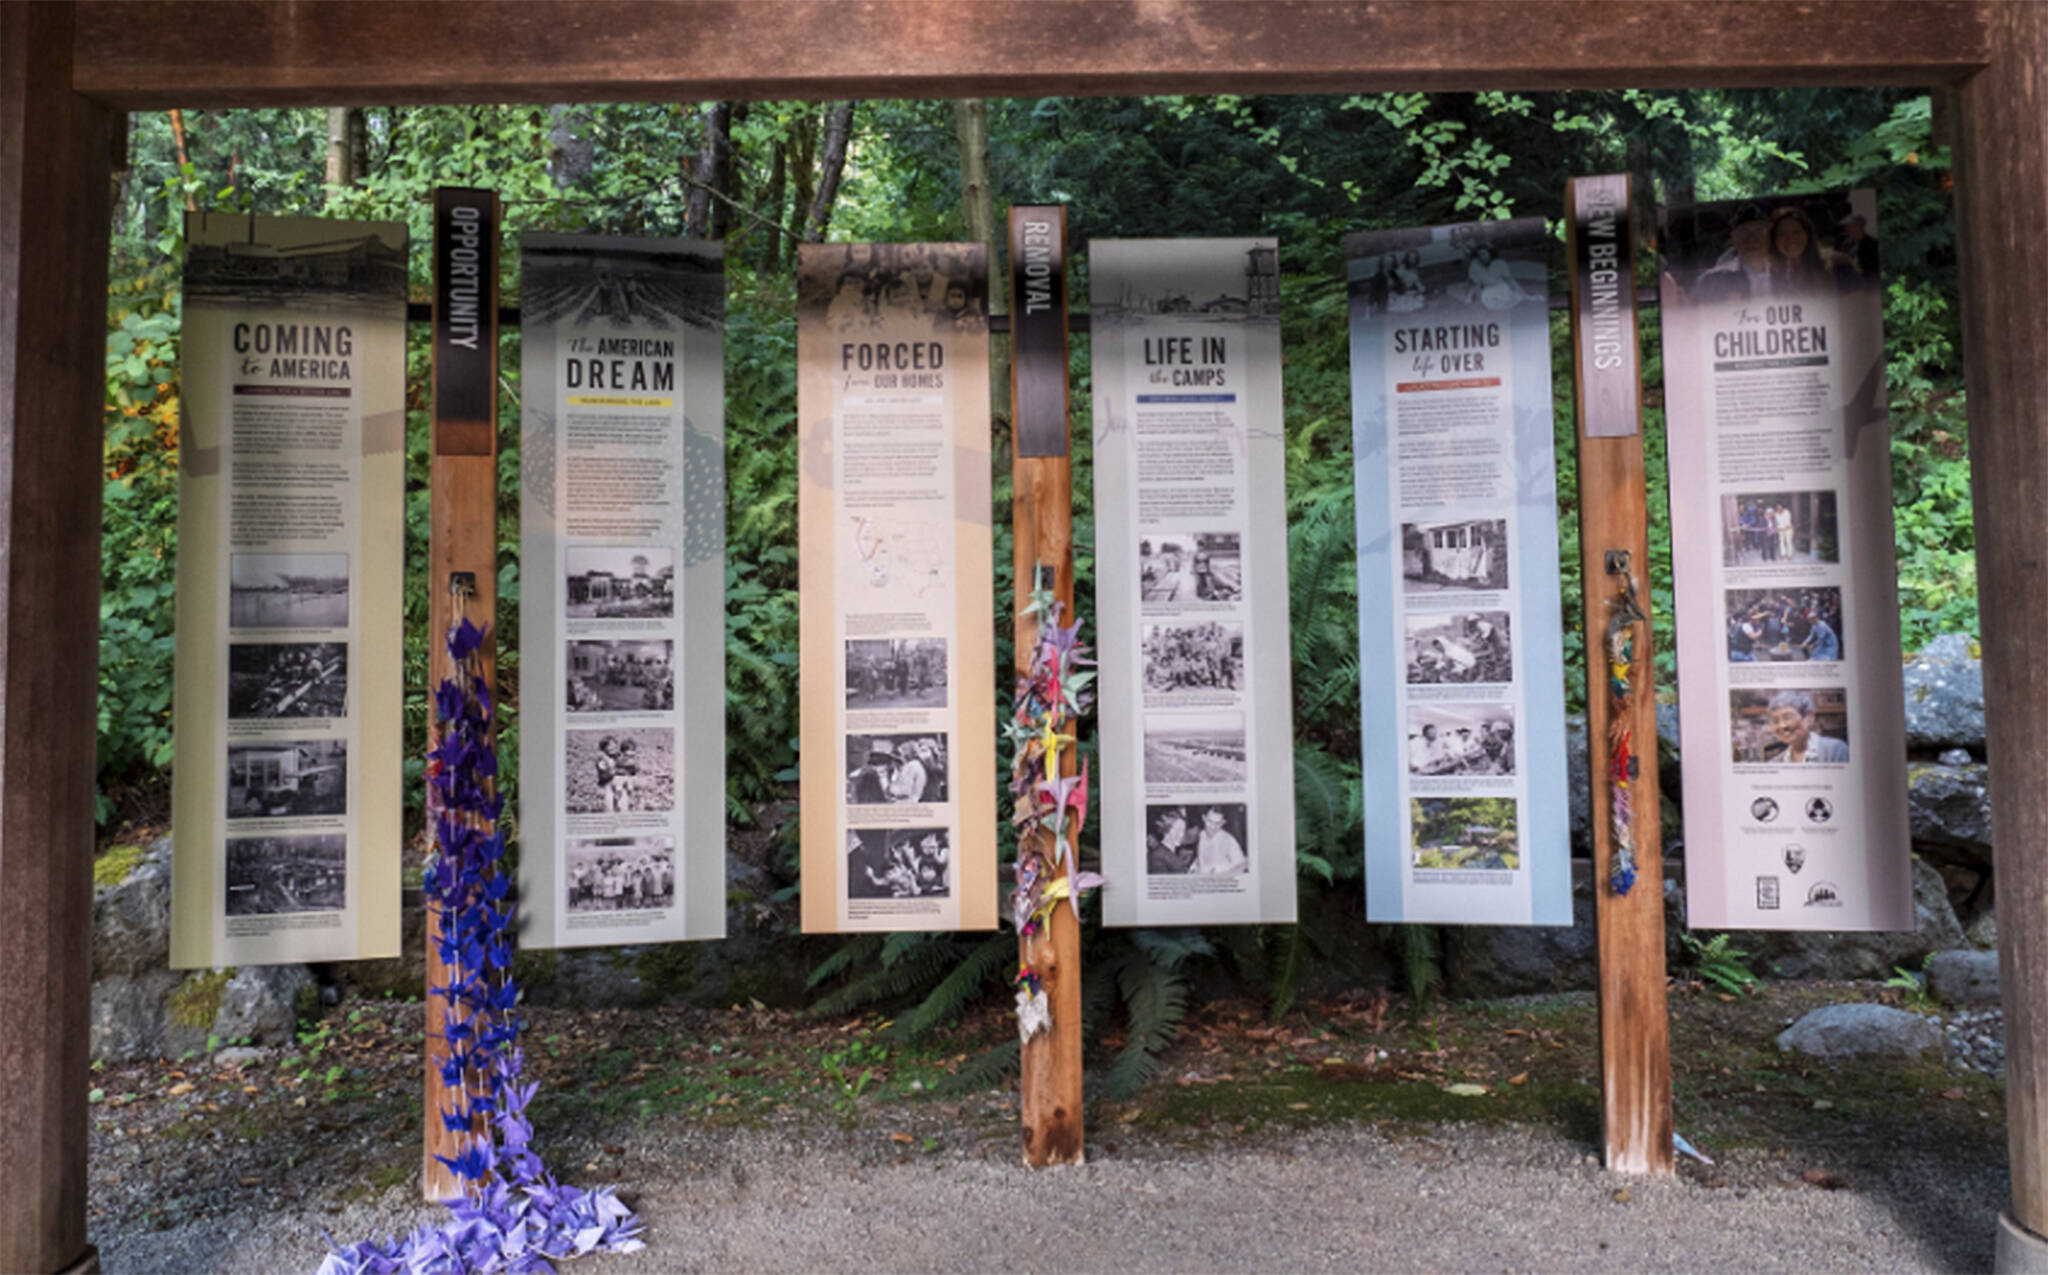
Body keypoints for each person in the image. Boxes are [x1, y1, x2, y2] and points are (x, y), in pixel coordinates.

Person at [1765, 689, 1849, 763]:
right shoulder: (1776, 762)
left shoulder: (1835, 750)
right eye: (1775, 721)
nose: (1782, 725)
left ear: (1809, 718)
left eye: (1788, 717)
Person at [1466, 243, 1528, 309]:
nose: (1482, 257)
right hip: (1488, 291)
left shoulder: (1500, 263)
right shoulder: (1475, 265)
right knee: (1486, 297)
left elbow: (1509, 279)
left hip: (1501, 288)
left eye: (1484, 254)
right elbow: (1477, 284)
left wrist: (1521, 291)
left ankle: (1516, 298)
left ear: (1490, 253)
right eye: (1479, 255)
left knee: (1511, 296)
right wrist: (1470, 297)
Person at [1193, 806, 1248, 875]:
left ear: (1223, 822)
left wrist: (1222, 875)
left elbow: (1242, 865)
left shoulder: (1228, 840)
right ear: (1204, 818)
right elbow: (1201, 860)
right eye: (1210, 821)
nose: (1213, 827)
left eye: (1217, 823)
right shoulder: (1202, 835)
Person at [1147, 808, 1195, 875]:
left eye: (1182, 830)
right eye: (1177, 830)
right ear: (1166, 831)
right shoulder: (1158, 857)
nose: (1181, 835)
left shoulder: (1170, 851)